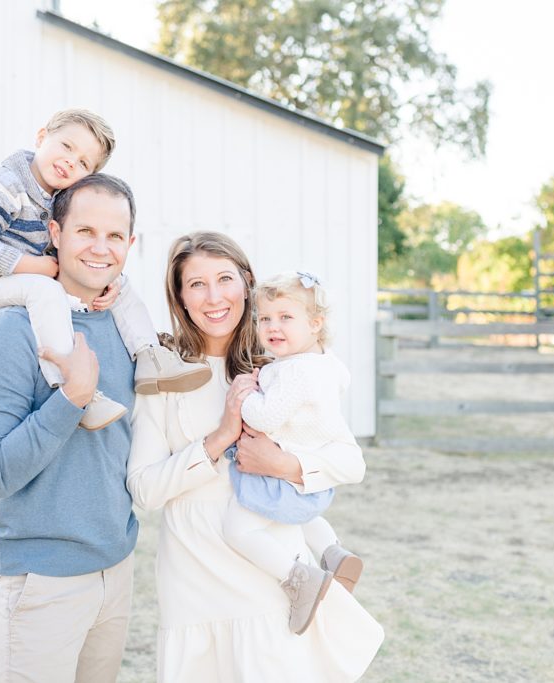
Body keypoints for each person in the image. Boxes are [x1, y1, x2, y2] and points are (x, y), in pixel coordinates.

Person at [128, 232, 384, 682]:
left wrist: (285, 465)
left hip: (271, 573)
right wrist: (219, 438)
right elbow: (144, 490)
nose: (213, 297)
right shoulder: (163, 373)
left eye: (225, 279)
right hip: (194, 575)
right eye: (196, 285)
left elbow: (348, 461)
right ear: (180, 297)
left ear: (247, 285)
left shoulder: (284, 368)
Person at [0, 174, 141, 682]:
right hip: (41, 582)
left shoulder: (122, 326)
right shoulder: (10, 330)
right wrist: (71, 399)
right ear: (54, 233)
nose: (100, 249)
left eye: (114, 236)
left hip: (116, 566)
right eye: (85, 231)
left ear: (130, 244)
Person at [0, 108, 210, 430]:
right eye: (66, 147)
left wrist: (111, 283)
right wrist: (35, 266)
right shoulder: (0, 184)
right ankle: (71, 384)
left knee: (121, 282)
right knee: (46, 290)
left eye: (83, 163)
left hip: (31, 279)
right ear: (41, 137)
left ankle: (150, 357)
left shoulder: (57, 194)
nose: (70, 162)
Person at [221, 270, 365, 635]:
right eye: (265, 318)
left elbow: (266, 417)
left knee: (238, 529)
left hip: (281, 469)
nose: (272, 327)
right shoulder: (327, 365)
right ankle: (333, 552)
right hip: (309, 474)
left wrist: (246, 395)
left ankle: (300, 580)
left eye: (286, 317)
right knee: (302, 514)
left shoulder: (293, 373)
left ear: (316, 324)